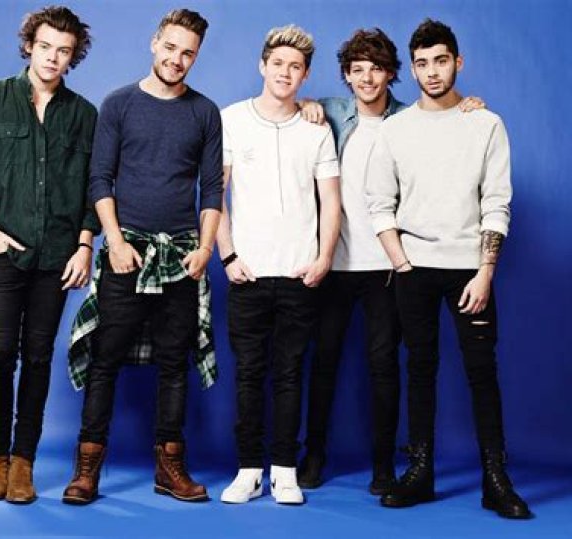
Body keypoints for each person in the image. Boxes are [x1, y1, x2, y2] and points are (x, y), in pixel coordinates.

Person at [296, 28, 484, 495]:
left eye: (376, 69)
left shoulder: (408, 119)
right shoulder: (332, 114)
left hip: (388, 267)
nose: (366, 78)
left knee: (384, 366)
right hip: (333, 264)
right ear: (346, 75)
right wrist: (305, 105)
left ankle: (384, 466)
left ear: (392, 74)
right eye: (357, 70)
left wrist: (468, 106)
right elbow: (292, 110)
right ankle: (313, 455)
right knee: (324, 362)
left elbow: (444, 122)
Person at [366, 18, 532, 519]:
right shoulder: (394, 130)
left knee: (482, 372)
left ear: (458, 62)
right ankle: (420, 473)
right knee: (419, 369)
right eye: (422, 64)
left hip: (469, 270)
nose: (432, 72)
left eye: (440, 61)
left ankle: (496, 479)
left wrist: (485, 272)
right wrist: (402, 263)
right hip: (413, 269)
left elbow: (496, 202)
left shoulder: (485, 124)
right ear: (412, 70)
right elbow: (379, 202)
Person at [61, 8, 222, 505]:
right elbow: (99, 179)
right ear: (155, 43)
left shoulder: (205, 112)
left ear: (196, 56)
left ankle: (169, 467)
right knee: (105, 359)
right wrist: (115, 242)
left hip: (180, 254)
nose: (177, 59)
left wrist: (205, 248)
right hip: (126, 248)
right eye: (170, 48)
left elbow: (212, 188)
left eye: (188, 53)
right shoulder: (119, 104)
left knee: (175, 363)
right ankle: (87, 468)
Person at [0, 6, 97, 504]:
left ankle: (23, 463)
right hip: (3, 253)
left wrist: (85, 245)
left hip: (57, 256)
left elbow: (95, 186)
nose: (53, 58)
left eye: (64, 51)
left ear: (73, 56)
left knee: (38, 358)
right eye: (45, 47)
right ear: (29, 47)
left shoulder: (84, 115)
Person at [217, 25, 341, 505]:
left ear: (305, 75)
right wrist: (228, 255)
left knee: (290, 373)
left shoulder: (317, 128)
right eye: (278, 64)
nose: (285, 73)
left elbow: (331, 201)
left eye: (296, 67)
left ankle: (284, 470)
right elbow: (215, 195)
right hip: (247, 272)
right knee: (248, 374)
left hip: (298, 273)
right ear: (262, 66)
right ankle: (249, 470)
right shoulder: (231, 120)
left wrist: (323, 258)